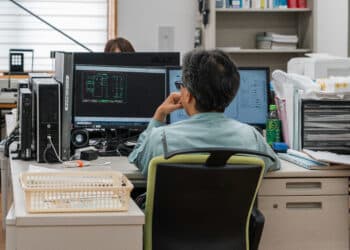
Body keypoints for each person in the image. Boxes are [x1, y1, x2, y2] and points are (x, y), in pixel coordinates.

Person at [129, 49, 280, 176]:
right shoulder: (252, 137)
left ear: (187, 95)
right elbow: (274, 164)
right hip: (229, 212)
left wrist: (159, 114)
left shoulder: (161, 139)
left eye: (181, 85)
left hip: (173, 212)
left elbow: (137, 157)